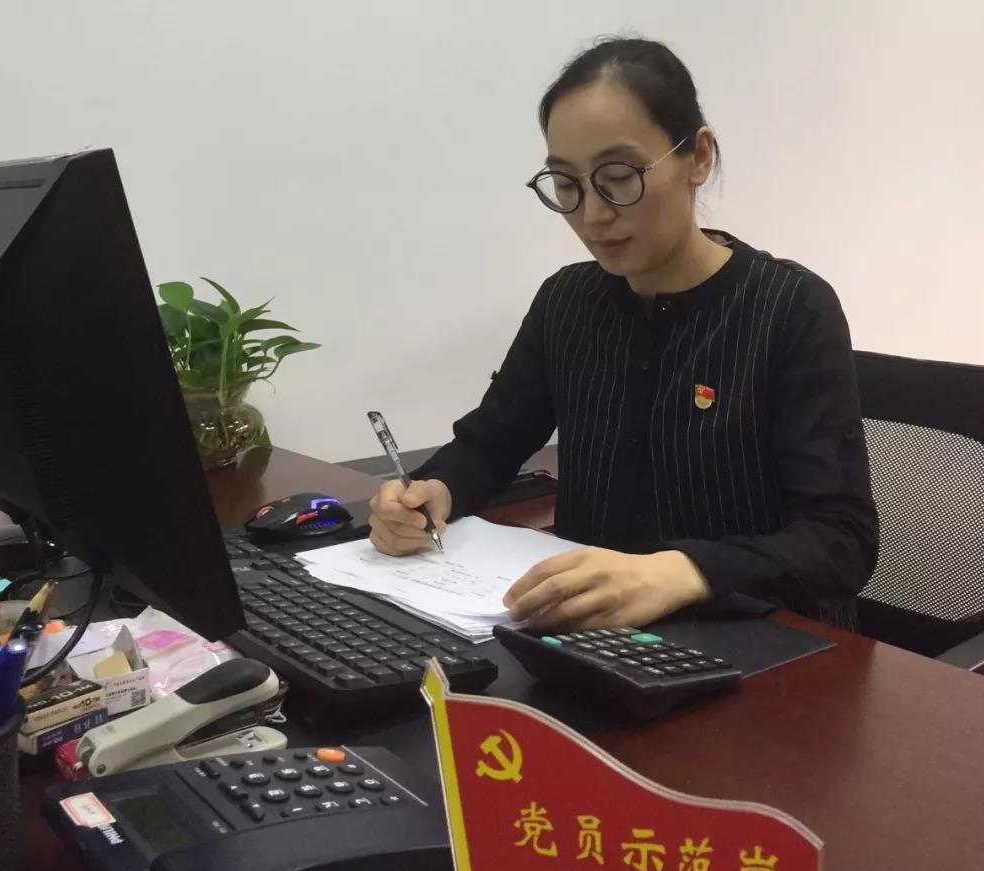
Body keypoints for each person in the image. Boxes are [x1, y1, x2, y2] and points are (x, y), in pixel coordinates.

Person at [368, 37, 878, 631]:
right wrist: (434, 493)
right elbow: (492, 443)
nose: (593, 214)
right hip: (592, 635)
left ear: (699, 157)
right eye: (567, 184)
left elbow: (840, 540)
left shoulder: (789, 308)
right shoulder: (567, 302)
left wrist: (683, 572)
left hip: (757, 640)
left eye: (618, 176)